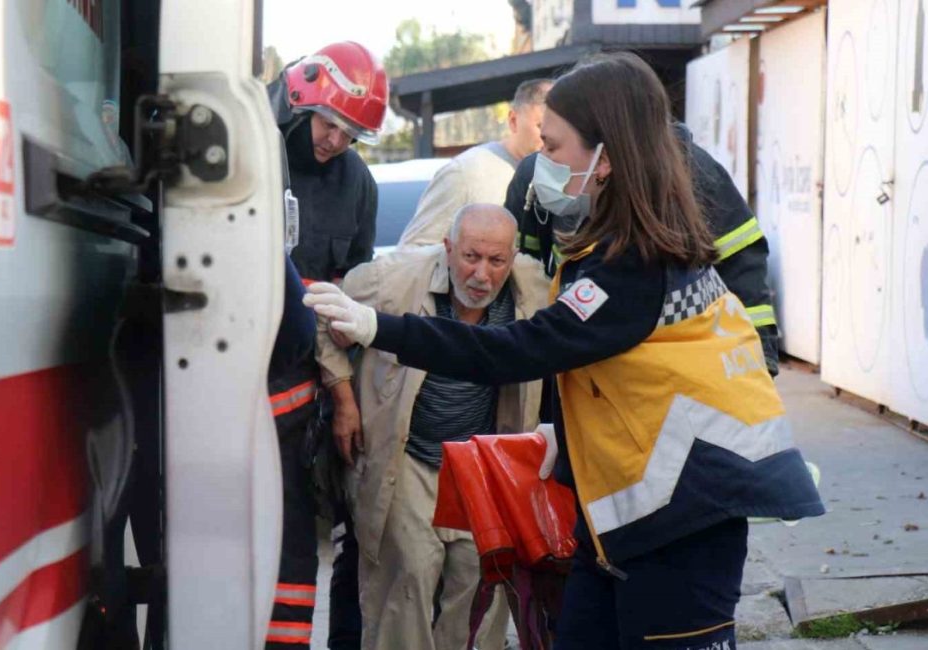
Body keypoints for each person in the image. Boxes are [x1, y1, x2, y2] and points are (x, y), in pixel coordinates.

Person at [305, 53, 824, 650]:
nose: (539, 164)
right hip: (625, 521)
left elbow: (514, 350)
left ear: (604, 159)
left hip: (685, 519)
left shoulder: (631, 268)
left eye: (553, 148)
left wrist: (379, 327)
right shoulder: (624, 244)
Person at [316, 205, 550, 650]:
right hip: (409, 456)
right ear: (448, 249)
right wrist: (342, 394)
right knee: (409, 570)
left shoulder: (533, 288)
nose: (482, 274)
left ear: (513, 257)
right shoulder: (394, 277)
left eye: (496, 261)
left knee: (481, 575)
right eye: (470, 257)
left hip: (480, 463)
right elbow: (327, 310)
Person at [505, 87, 780, 377]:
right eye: (545, 142)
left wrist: (760, 359)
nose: (544, 158)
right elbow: (523, 276)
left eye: (553, 145)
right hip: (575, 360)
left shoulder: (692, 172)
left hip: (672, 374)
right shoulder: (535, 178)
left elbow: (742, 260)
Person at [263, 40, 388, 650]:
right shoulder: (255, 155)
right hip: (219, 374)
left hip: (299, 396)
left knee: (296, 545)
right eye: (330, 123)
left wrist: (342, 396)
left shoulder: (356, 186)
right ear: (299, 100)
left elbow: (352, 293)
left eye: (350, 134)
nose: (336, 141)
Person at [398, 78, 553, 249]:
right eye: (541, 126)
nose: (550, 136)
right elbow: (413, 252)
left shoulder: (561, 175)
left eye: (558, 127)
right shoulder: (466, 173)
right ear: (513, 120)